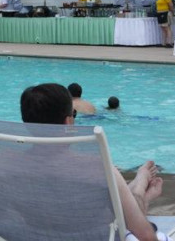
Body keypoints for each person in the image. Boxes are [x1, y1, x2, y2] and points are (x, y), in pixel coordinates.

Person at [20, 83, 163, 241]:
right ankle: (139, 188)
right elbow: (146, 236)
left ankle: (138, 189)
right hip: (99, 232)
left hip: (35, 234)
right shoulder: (97, 168)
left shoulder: (4, 164)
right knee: (127, 209)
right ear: (68, 122)